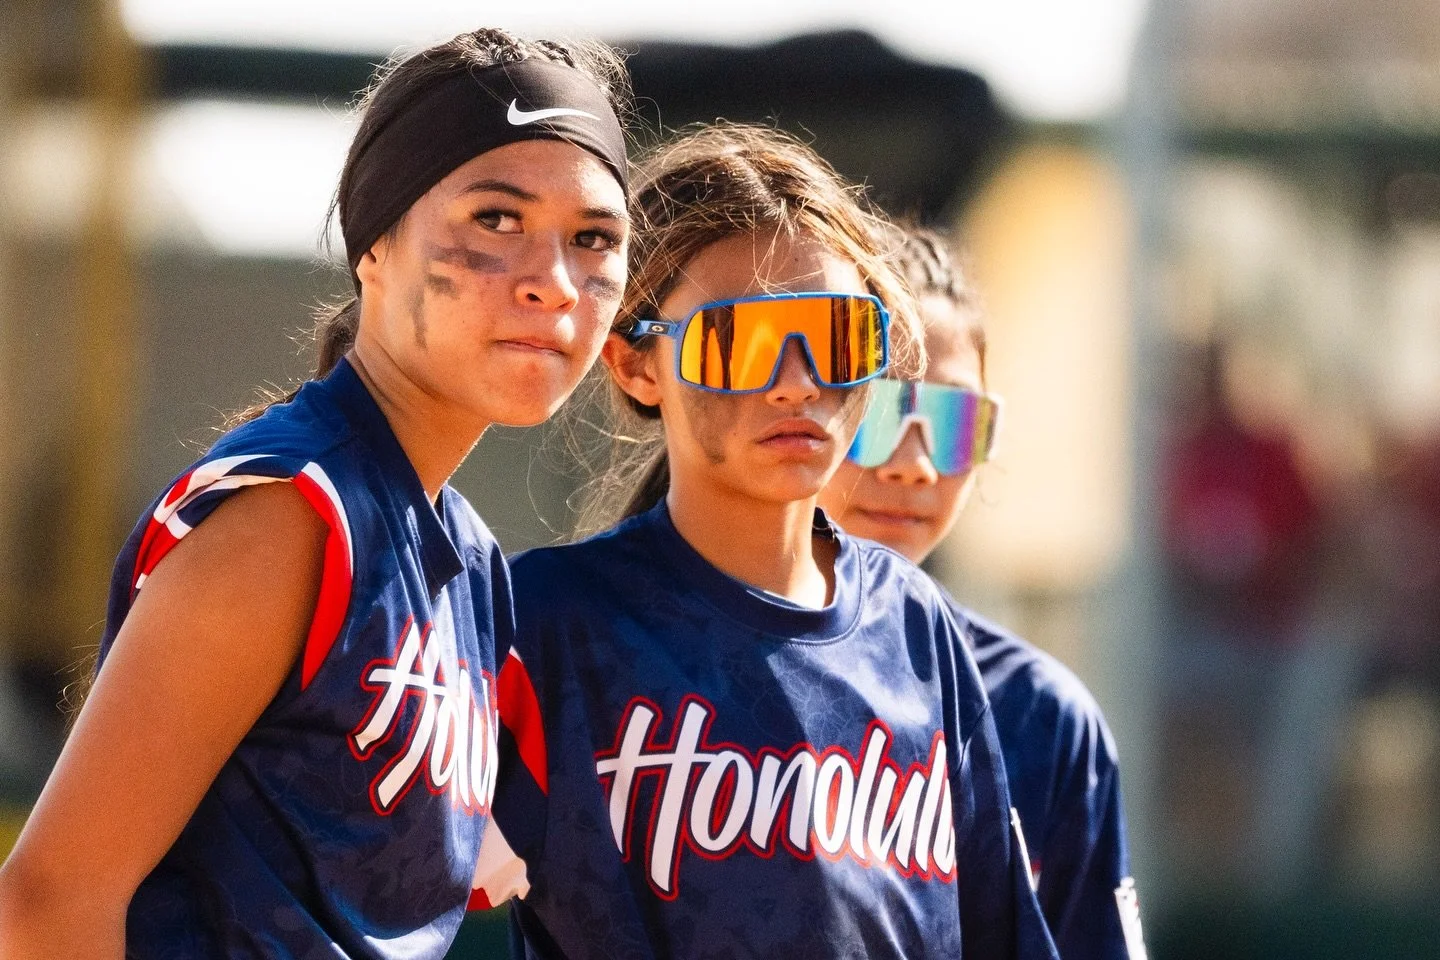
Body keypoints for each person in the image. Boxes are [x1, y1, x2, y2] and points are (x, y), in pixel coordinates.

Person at [0, 28, 632, 959]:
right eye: (497, 219)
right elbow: (48, 901)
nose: (553, 282)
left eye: (594, 239)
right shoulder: (292, 514)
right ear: (375, 246)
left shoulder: (466, 559)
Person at [472, 125, 1059, 960]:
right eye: (737, 341)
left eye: (838, 337)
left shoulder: (916, 627)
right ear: (636, 366)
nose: (798, 380)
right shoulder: (546, 623)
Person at [817, 228, 1147, 960]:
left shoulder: (1040, 716)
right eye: (874, 412)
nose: (913, 464)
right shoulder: (648, 659)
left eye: (952, 422)